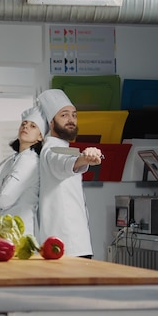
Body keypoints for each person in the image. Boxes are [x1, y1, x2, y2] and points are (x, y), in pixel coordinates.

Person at [37, 89, 103, 258]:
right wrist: (84, 158)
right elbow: (63, 163)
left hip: (74, 241)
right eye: (64, 115)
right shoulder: (51, 149)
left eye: (74, 115)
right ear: (51, 122)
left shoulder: (63, 147)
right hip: (66, 243)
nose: (71, 120)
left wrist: (83, 158)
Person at [0, 106, 48, 237]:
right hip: (7, 228)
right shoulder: (13, 160)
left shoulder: (30, 161)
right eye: (24, 124)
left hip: (19, 231)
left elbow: (3, 200)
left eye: (33, 126)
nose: (25, 127)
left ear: (40, 137)